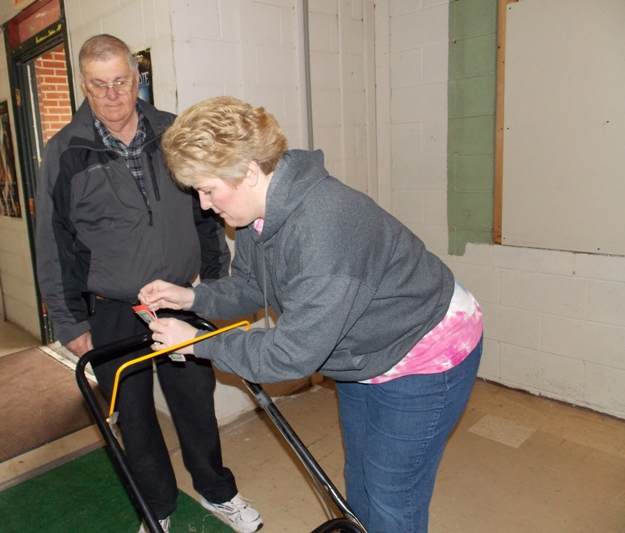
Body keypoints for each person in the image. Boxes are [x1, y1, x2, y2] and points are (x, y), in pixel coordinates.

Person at [139, 96, 484, 533]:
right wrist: (191, 299)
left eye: (208, 190)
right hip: (364, 350)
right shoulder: (256, 216)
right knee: (360, 477)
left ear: (249, 172)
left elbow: (293, 354)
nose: (205, 205)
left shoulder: (324, 227)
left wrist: (197, 343)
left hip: (425, 350)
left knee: (391, 494)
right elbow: (251, 286)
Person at [35, 37, 262, 533]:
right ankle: (156, 506)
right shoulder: (65, 151)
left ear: (136, 79)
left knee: (196, 400)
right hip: (111, 308)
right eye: (99, 85)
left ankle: (216, 491)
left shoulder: (172, 132)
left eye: (121, 81)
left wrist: (216, 285)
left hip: (178, 296)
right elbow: (53, 243)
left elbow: (205, 214)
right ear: (84, 85)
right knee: (133, 415)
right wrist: (69, 322)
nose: (112, 95)